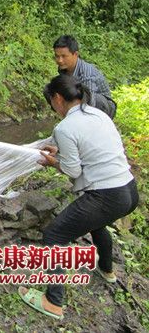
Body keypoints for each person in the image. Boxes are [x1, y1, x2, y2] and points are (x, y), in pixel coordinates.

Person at [18, 74, 138, 320]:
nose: (53, 109)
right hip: (128, 189)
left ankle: (53, 301)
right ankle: (107, 270)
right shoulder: (98, 114)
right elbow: (92, 147)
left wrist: (53, 162)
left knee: (54, 235)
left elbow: (72, 170)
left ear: (57, 98)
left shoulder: (65, 127)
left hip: (106, 195)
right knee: (97, 222)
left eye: (51, 103)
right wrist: (61, 150)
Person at [53, 35, 116, 118]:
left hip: (103, 108)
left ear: (76, 54)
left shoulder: (87, 72)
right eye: (57, 56)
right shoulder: (63, 69)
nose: (60, 60)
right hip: (81, 102)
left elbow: (89, 101)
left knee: (87, 96)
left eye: (64, 56)